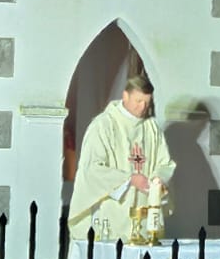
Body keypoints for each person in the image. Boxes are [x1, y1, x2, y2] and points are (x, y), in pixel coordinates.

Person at [67, 72, 175, 241]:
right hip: (113, 212)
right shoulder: (103, 125)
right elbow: (92, 169)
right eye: (138, 101)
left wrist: (158, 179)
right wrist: (129, 179)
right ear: (125, 96)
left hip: (145, 212)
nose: (143, 107)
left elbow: (165, 163)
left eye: (147, 103)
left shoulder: (151, 128)